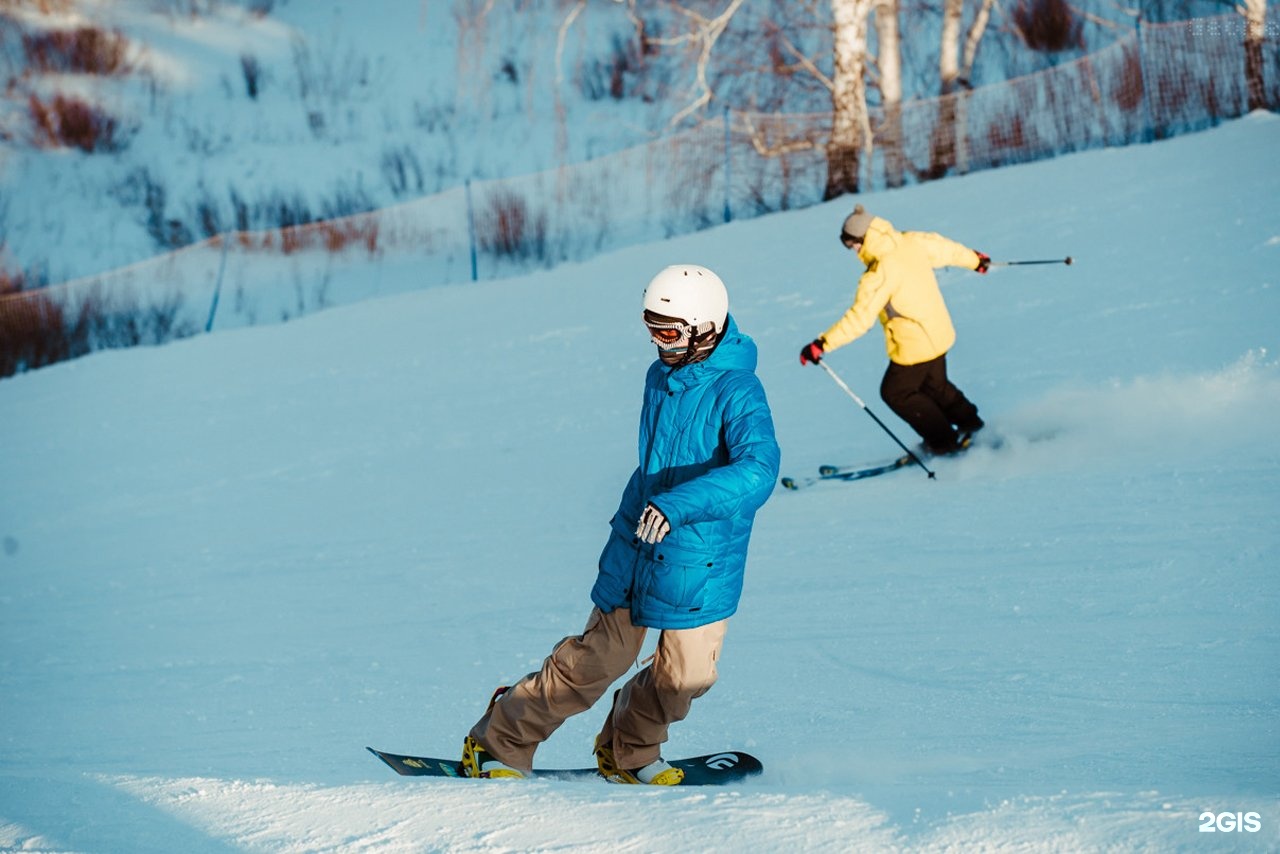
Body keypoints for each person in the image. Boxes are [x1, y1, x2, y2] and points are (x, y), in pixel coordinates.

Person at [462, 264, 781, 784]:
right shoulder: (660, 376)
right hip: (639, 542)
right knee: (595, 662)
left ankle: (628, 751)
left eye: (669, 331)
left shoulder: (740, 391)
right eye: (651, 327)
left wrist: (679, 505)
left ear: (705, 328)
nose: (658, 342)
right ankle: (498, 741)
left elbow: (759, 469)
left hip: (700, 556)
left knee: (686, 677)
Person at [799, 204, 991, 455]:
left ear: (863, 239)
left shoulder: (880, 273)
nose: (854, 251)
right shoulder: (909, 241)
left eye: (852, 245)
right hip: (938, 332)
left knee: (896, 392)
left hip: (914, 345)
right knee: (936, 385)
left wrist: (821, 344)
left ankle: (945, 442)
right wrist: (975, 260)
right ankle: (972, 425)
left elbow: (859, 319)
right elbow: (947, 249)